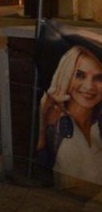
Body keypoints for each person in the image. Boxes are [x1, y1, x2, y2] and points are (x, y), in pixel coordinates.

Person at [37, 44, 102, 188]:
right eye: (79, 75)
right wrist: (43, 120)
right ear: (65, 76)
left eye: (99, 78)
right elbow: (37, 166)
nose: (89, 86)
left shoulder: (98, 124)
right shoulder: (54, 121)